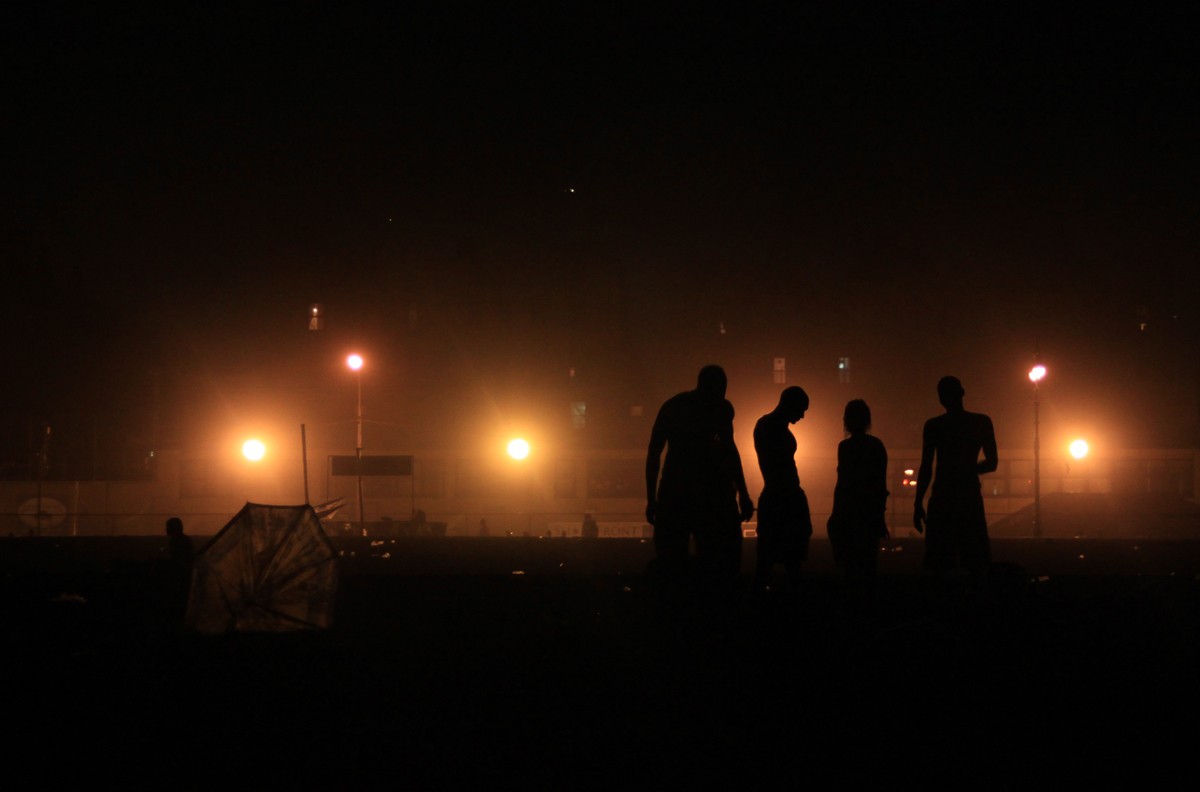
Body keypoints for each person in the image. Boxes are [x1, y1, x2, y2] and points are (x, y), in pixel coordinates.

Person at [645, 365, 754, 593]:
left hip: (676, 492)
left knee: (672, 559)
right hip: (714, 493)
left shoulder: (674, 407)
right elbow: (729, 451)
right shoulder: (722, 409)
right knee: (723, 557)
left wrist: (652, 498)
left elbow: (654, 453)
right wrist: (742, 493)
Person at [913, 376, 998, 579]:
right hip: (969, 494)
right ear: (962, 393)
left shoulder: (934, 426)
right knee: (975, 558)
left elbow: (926, 467)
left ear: (941, 399)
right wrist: (968, 469)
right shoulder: (981, 422)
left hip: (942, 495)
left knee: (940, 560)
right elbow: (992, 463)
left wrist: (918, 502)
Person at [751, 386, 812, 596]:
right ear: (791, 405)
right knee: (787, 558)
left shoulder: (767, 426)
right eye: (801, 410)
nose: (802, 416)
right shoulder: (772, 428)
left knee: (768, 557)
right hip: (784, 498)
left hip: (779, 497)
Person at [827, 399, 890, 583]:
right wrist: (880, 517)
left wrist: (835, 514)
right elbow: (880, 485)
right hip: (868, 513)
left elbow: (842, 485)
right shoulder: (876, 446)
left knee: (848, 566)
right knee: (868, 564)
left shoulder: (844, 447)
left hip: (847, 513)